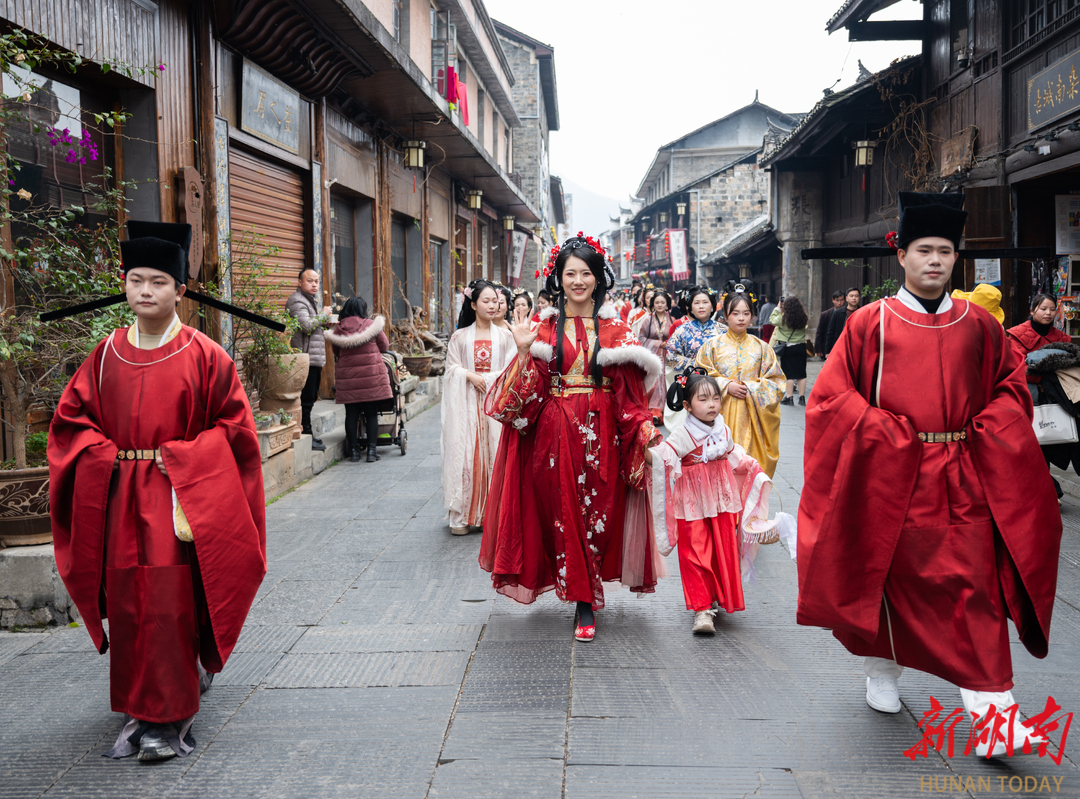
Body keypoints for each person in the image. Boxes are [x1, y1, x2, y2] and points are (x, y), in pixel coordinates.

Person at [797, 191, 1061, 758]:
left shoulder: (980, 326)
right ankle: (881, 668)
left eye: (944, 251)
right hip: (890, 479)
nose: (934, 260)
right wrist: (885, 435)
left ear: (956, 257)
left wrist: (986, 430)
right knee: (888, 580)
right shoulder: (869, 324)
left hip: (964, 475)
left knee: (975, 590)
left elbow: (1011, 389)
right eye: (924, 250)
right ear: (902, 256)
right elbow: (830, 399)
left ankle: (996, 716)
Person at [48, 222, 266, 762]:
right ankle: (139, 703)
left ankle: (166, 718)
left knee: (169, 603)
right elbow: (71, 424)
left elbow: (236, 430)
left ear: (180, 290)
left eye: (159, 282)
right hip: (119, 494)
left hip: (176, 498)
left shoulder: (205, 355)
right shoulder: (104, 356)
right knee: (128, 602)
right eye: (136, 280)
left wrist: (187, 459)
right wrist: (103, 457)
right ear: (124, 285)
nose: (145, 291)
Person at [480, 234, 664, 642]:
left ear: (598, 278)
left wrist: (647, 434)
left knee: (599, 515)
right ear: (558, 279)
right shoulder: (543, 328)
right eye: (570, 274)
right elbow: (521, 400)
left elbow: (630, 399)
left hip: (602, 438)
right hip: (555, 436)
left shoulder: (617, 331)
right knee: (564, 515)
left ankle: (585, 587)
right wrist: (524, 353)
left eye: (585, 274)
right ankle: (584, 601)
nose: (578, 281)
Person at [649, 370, 779, 635]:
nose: (712, 405)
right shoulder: (682, 434)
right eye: (703, 399)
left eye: (716, 399)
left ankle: (715, 597)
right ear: (687, 405)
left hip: (721, 500)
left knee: (722, 549)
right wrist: (640, 447)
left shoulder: (724, 430)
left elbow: (734, 457)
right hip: (693, 502)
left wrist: (755, 469)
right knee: (695, 553)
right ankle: (701, 610)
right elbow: (661, 458)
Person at [441, 280, 516, 536]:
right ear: (473, 305)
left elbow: (512, 369)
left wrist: (487, 378)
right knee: (465, 455)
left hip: (494, 404)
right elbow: (451, 368)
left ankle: (493, 515)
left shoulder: (506, 337)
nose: (493, 305)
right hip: (466, 405)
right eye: (486, 301)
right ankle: (462, 515)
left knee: (495, 455)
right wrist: (469, 375)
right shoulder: (459, 336)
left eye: (495, 301)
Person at [695, 288, 785, 478]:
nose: (741, 318)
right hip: (719, 415)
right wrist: (726, 385)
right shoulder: (711, 346)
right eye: (735, 313)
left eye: (746, 313)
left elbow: (777, 383)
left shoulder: (762, 348)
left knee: (748, 470)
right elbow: (698, 376)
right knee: (718, 470)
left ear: (752, 316)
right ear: (725, 315)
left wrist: (750, 388)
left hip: (752, 417)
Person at [325, 296, 391, 463]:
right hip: (371, 378)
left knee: (351, 414)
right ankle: (371, 452)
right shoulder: (371, 325)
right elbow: (384, 346)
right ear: (363, 309)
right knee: (371, 414)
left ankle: (354, 452)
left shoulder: (339, 329)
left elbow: (337, 352)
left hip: (349, 379)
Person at [286, 268, 333, 452]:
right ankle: (306, 434)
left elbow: (312, 326)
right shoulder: (297, 300)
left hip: (313, 358)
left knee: (311, 397)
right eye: (310, 281)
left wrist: (324, 322)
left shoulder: (308, 300)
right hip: (305, 358)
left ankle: (308, 433)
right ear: (300, 282)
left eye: (316, 281)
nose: (314, 284)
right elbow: (306, 326)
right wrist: (323, 314)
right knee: (306, 399)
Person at [666, 286, 724, 430]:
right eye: (696, 303)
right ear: (690, 307)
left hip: (718, 383)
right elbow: (671, 356)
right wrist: (695, 365)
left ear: (712, 306)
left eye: (705, 302)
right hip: (692, 384)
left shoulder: (723, 331)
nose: (701, 306)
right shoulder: (682, 331)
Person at [638, 289, 676, 425]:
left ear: (667, 304)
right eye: (657, 302)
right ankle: (655, 411)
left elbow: (677, 338)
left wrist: (669, 344)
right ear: (653, 304)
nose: (660, 305)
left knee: (666, 381)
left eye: (662, 302)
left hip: (668, 357)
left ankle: (666, 411)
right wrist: (658, 344)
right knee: (655, 383)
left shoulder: (672, 320)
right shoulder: (647, 320)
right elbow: (641, 338)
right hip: (653, 357)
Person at [770, 296, 809, 406]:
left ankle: (789, 397)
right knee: (801, 373)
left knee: (789, 374)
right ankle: (802, 398)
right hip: (801, 347)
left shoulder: (783, 318)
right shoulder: (804, 317)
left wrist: (778, 308)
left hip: (788, 348)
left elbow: (772, 320)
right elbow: (806, 328)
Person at [824, 286, 861, 355]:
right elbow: (831, 332)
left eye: (856, 296)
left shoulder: (862, 312)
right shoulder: (838, 313)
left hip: (856, 348)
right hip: (840, 347)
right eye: (851, 296)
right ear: (846, 298)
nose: (854, 298)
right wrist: (828, 351)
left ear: (859, 298)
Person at [815, 290, 844, 358]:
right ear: (833, 300)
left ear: (845, 300)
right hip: (829, 345)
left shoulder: (846, 313)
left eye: (841, 300)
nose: (839, 303)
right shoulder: (825, 315)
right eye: (837, 300)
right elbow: (820, 332)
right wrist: (818, 348)